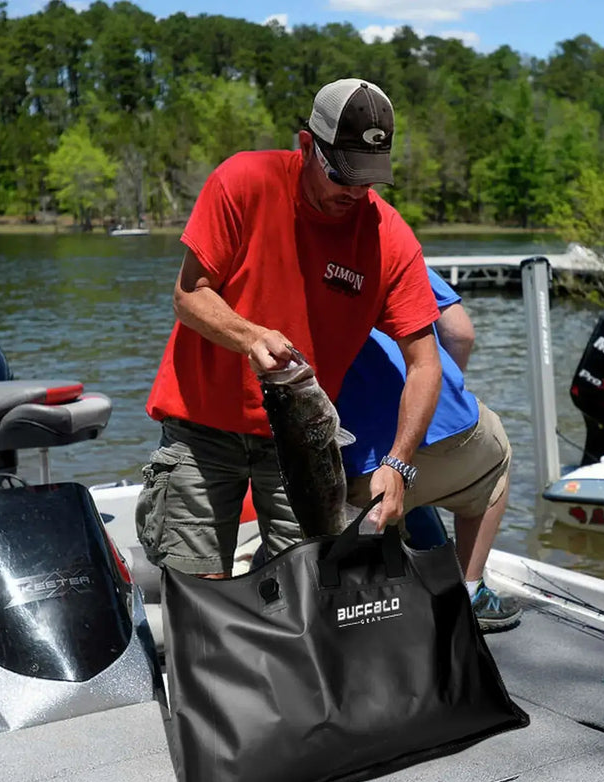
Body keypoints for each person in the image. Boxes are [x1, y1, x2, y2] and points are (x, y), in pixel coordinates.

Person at [136, 78, 442, 578]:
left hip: (304, 445)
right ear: (307, 145)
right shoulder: (243, 181)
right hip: (201, 429)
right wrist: (251, 336)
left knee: (306, 586)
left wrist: (399, 463)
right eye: (343, 174)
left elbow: (425, 364)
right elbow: (188, 295)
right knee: (200, 589)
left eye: (369, 177)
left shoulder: (389, 238)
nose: (357, 190)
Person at [335, 268, 522, 631]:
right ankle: (470, 591)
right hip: (449, 435)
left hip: (357, 463)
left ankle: (391, 592)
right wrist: (444, 395)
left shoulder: (289, 260)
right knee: (494, 457)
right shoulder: (389, 245)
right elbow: (460, 333)